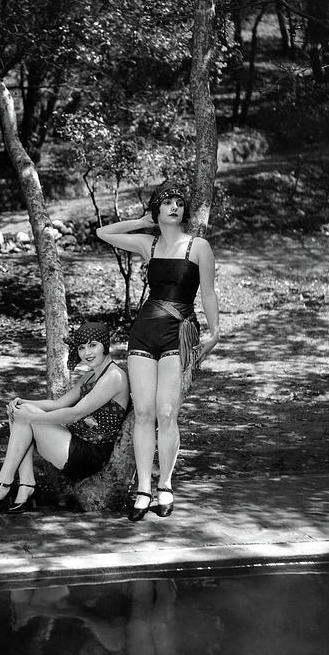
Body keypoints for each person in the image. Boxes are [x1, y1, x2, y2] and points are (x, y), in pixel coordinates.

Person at [96, 181, 220, 521]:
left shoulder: (198, 247)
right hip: (143, 333)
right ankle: (143, 489)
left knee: (167, 414)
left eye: (180, 202)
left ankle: (165, 485)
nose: (175, 207)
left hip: (177, 333)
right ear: (157, 211)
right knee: (144, 413)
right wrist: (141, 221)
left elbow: (207, 293)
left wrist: (215, 333)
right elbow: (102, 231)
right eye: (167, 203)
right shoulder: (148, 244)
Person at [0, 321, 129, 513]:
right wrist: (22, 402)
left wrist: (30, 416)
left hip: (89, 455)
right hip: (74, 443)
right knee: (21, 412)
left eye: (93, 345)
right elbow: (58, 404)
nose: (87, 353)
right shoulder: (90, 377)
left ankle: (4, 484)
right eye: (82, 347)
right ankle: (25, 486)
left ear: (105, 346)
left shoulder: (114, 376)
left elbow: (74, 413)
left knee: (25, 416)